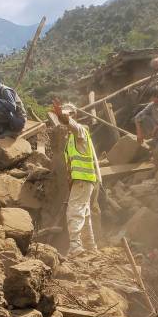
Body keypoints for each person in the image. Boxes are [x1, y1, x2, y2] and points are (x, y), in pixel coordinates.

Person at [54, 100, 100, 255]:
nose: (66, 116)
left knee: (74, 211)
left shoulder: (80, 131)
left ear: (75, 115)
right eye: (65, 113)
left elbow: (71, 125)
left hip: (83, 179)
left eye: (69, 113)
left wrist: (64, 117)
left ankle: (75, 247)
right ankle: (91, 246)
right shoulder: (71, 139)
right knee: (84, 213)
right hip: (83, 181)